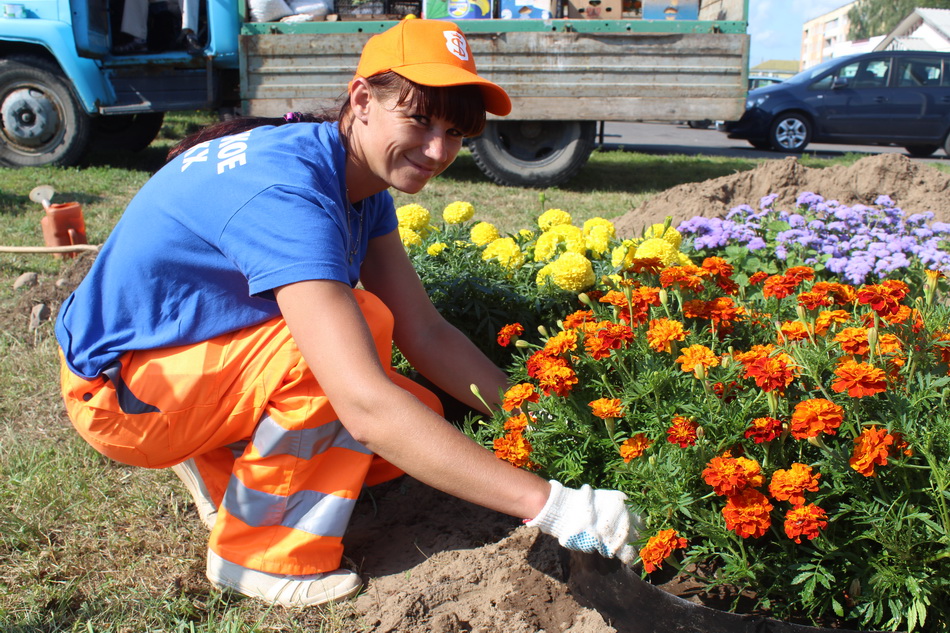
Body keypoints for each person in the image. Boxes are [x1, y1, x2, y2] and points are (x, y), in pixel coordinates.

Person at [56, 18, 640, 608]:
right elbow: (361, 404)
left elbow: (425, 331)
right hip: (118, 396)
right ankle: (259, 560)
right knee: (346, 368)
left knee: (413, 406)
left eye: (455, 131)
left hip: (169, 361)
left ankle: (225, 469)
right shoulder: (290, 194)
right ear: (362, 100)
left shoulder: (353, 177)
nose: (438, 151)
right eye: (419, 119)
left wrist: (537, 416)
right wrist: (555, 506)